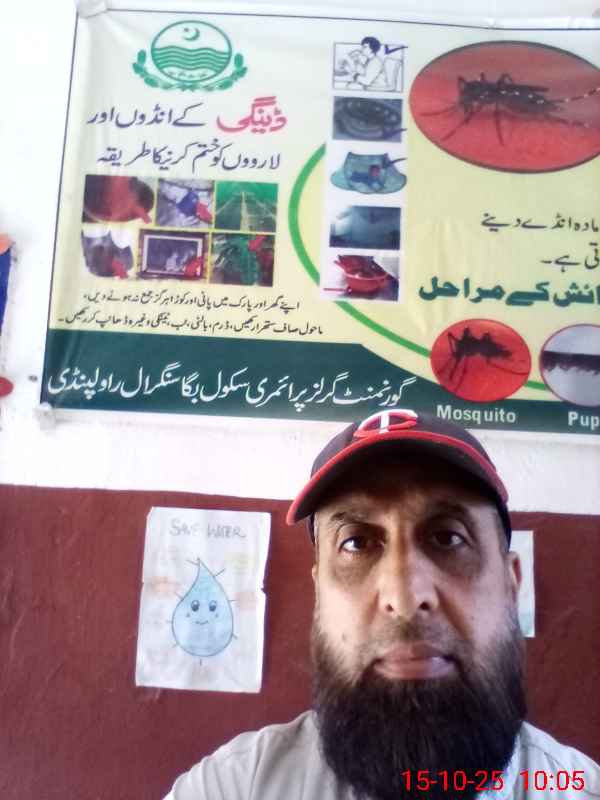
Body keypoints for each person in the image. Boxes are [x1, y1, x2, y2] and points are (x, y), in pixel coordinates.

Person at [163, 408, 600, 799]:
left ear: (511, 584)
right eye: (356, 543)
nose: (404, 598)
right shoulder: (233, 788)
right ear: (319, 595)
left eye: (448, 538)